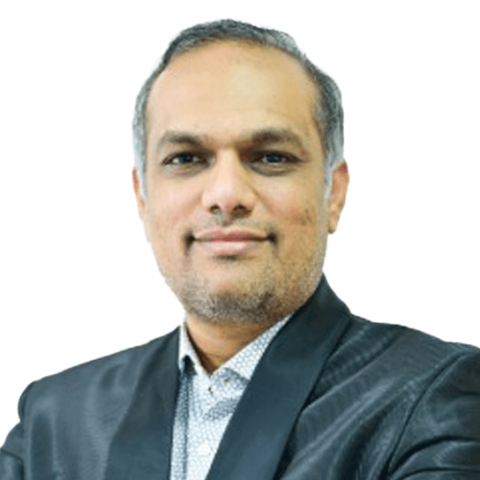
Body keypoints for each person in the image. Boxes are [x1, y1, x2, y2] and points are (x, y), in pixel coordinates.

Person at [1, 18, 479, 480]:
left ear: (332, 194)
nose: (226, 194)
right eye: (186, 158)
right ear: (143, 199)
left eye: (271, 157)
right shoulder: (54, 422)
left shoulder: (429, 398)